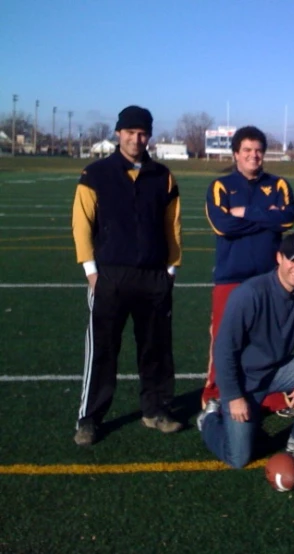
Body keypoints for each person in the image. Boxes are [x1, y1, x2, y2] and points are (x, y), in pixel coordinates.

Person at [71, 105, 182, 446]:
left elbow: (172, 226)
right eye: (130, 132)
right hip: (111, 276)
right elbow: (81, 223)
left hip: (152, 277)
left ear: (149, 135)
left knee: (155, 348)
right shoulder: (96, 173)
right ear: (118, 133)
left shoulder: (162, 176)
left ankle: (156, 408)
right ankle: (89, 418)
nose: (136, 138)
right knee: (103, 349)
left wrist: (170, 269)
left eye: (142, 132)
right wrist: (91, 270)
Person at [198, 233, 294, 468]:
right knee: (238, 458)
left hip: (278, 369)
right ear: (279, 258)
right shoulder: (250, 293)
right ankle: (209, 419)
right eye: (292, 260)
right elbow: (224, 350)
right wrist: (234, 397)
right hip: (244, 379)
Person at [202, 126, 294, 416]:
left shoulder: (278, 184)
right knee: (224, 336)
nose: (253, 156)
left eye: (258, 150)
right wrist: (266, 216)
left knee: (267, 337)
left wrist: (246, 212)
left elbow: (287, 218)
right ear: (236, 154)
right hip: (231, 275)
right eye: (247, 151)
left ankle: (267, 392)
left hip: (269, 277)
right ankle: (214, 392)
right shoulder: (221, 186)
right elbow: (223, 225)